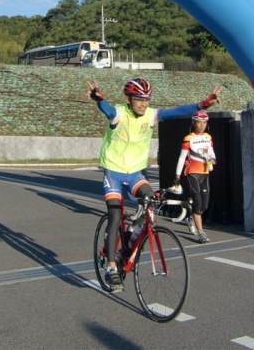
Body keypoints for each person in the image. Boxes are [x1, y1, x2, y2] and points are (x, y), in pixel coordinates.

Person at [87, 78, 222, 290]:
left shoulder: (151, 115)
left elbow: (176, 111)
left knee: (151, 202)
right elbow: (108, 111)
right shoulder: (120, 113)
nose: (143, 104)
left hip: (134, 173)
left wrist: (203, 104)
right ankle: (112, 266)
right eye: (139, 99)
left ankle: (131, 232)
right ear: (129, 99)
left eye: (147, 99)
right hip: (113, 170)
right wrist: (99, 99)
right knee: (114, 212)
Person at [170, 110, 217, 243]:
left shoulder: (208, 137)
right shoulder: (188, 138)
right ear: (194, 123)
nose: (202, 125)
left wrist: (213, 159)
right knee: (197, 202)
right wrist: (177, 176)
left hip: (205, 173)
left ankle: (190, 218)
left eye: (204, 122)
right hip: (192, 173)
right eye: (199, 122)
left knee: (204, 206)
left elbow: (212, 153)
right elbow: (181, 157)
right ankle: (201, 232)